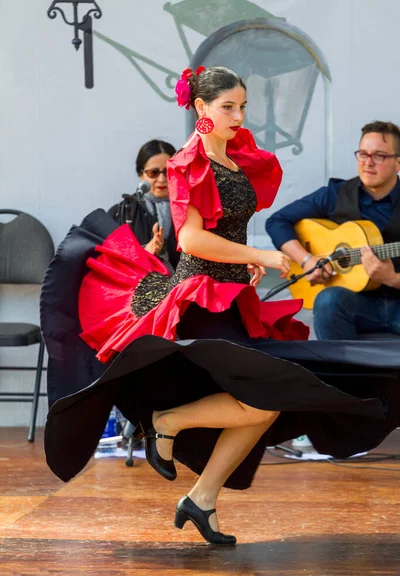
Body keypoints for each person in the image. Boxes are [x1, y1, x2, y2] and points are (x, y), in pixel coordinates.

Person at [43, 69, 400, 546]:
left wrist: (244, 262)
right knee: (263, 398)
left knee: (267, 403)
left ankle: (202, 499)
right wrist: (261, 256)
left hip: (233, 292)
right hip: (201, 297)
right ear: (201, 109)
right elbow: (190, 238)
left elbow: (225, 229)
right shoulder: (187, 161)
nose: (239, 115)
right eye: (228, 106)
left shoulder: (231, 155)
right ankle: (165, 423)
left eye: (243, 106)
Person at [265, 121, 400, 340]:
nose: (368, 163)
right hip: (356, 302)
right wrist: (307, 259)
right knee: (328, 300)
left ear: (398, 163)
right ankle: (339, 371)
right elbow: (277, 221)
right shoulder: (335, 194)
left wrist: (392, 278)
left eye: (379, 156)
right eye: (363, 154)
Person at [108, 139, 180, 271]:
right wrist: (145, 252)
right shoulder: (123, 211)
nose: (162, 179)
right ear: (141, 174)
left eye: (168, 171)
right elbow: (111, 261)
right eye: (153, 173)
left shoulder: (190, 209)